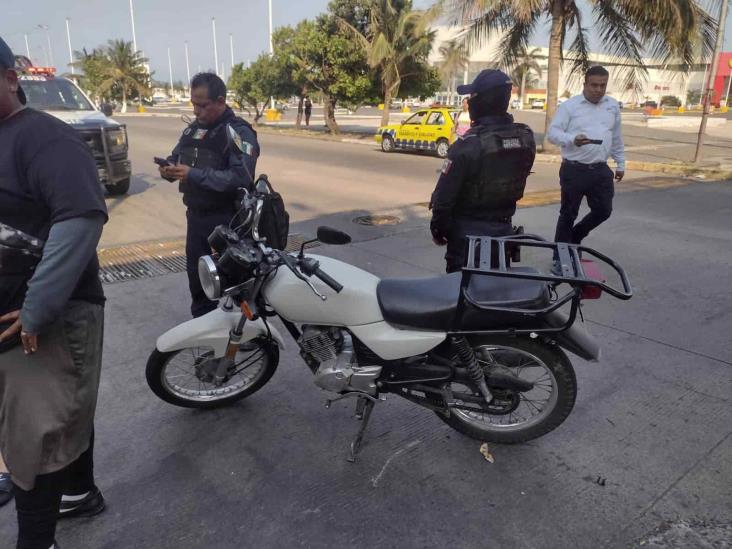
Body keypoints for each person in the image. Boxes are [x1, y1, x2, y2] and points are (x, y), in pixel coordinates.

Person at [0, 36, 107, 549]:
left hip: (43, 321)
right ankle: (80, 489)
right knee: (42, 429)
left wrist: (38, 309)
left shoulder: (44, 138)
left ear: (10, 79)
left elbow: (80, 218)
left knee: (39, 439)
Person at [160, 72, 259, 318]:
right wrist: (170, 169)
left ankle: (249, 339)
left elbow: (240, 177)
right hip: (196, 220)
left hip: (229, 221)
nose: (196, 111)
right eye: (193, 104)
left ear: (220, 101)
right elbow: (178, 156)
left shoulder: (237, 133)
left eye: (202, 105)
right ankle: (207, 339)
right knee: (200, 282)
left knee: (239, 286)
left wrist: (192, 175)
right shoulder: (192, 131)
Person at [430, 69, 536, 273]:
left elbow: (443, 200)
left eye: (471, 97)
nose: (468, 102)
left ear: (480, 102)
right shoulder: (525, 137)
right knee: (496, 293)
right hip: (504, 232)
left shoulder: (467, 145)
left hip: (467, 240)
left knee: (462, 296)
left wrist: (439, 231)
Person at [547, 65, 625, 267]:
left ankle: (574, 237)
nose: (598, 89)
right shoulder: (570, 107)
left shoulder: (612, 106)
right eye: (594, 85)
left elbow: (615, 136)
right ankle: (560, 259)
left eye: (603, 85)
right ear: (585, 84)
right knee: (568, 214)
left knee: (603, 211)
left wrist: (621, 162)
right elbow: (553, 134)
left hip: (600, 169)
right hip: (574, 169)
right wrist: (573, 139)